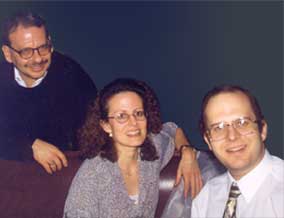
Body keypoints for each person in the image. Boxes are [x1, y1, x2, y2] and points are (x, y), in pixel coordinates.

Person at [63, 78, 202, 218]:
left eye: (138, 113)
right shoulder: (92, 175)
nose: (134, 122)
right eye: (122, 116)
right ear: (105, 125)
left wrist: (187, 152)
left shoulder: (152, 150)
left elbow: (172, 130)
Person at [0, 11, 97, 174]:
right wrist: (30, 146)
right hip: (13, 170)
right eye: (26, 52)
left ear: (50, 43)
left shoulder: (71, 74)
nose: (38, 59)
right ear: (8, 54)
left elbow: (91, 135)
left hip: (63, 170)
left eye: (43, 48)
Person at [191, 85, 284, 218]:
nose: (232, 136)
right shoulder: (205, 198)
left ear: (262, 130)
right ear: (208, 141)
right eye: (219, 127)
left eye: (242, 123)